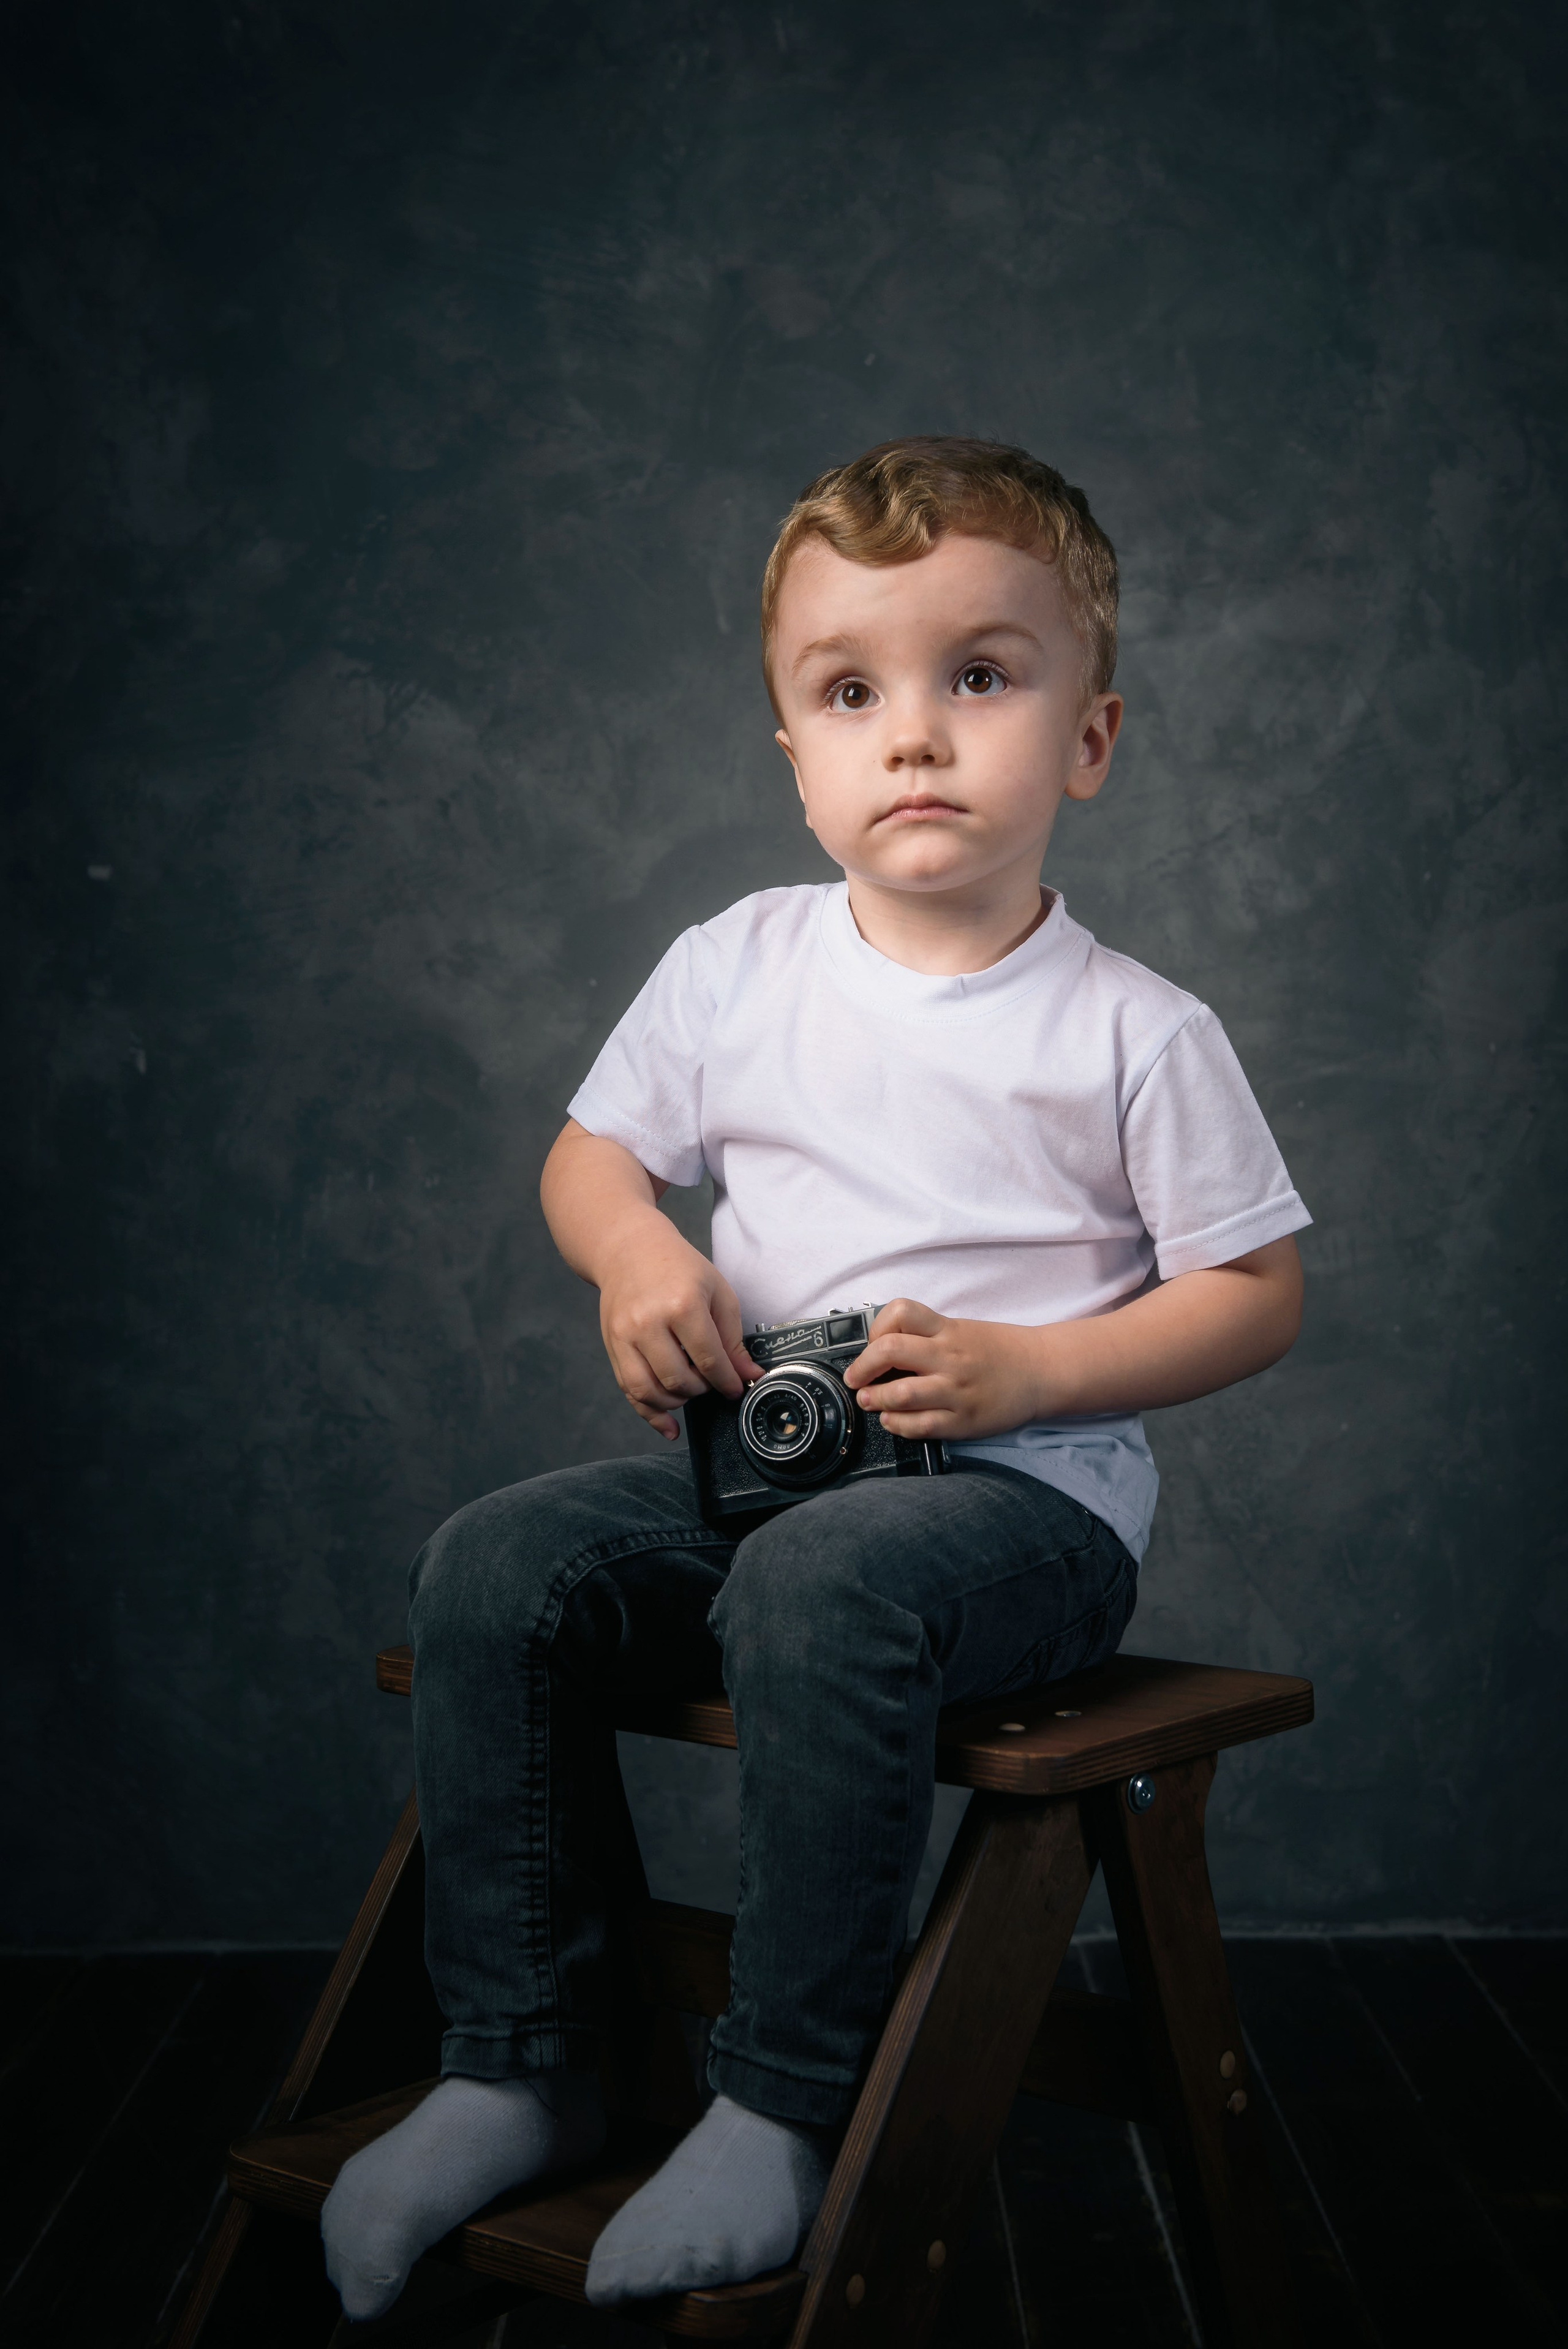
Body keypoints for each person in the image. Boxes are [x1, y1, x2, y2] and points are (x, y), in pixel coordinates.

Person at [320, 437, 1310, 2318]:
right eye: (853, 692)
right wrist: (636, 1253)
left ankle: (784, 2096)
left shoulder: (1135, 1030)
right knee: (492, 1570)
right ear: (794, 754)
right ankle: (518, 2059)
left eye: (981, 678)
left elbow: (1255, 1296)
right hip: (756, 1474)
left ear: (1089, 739)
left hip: (1024, 1511)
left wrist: (1034, 1373)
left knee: (824, 1581)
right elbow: (590, 1159)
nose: (914, 736)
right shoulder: (737, 964)